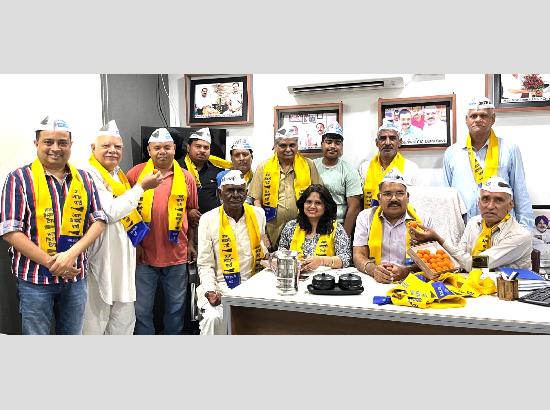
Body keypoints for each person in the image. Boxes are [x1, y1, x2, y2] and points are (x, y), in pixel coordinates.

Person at [0, 115, 107, 334]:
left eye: (62, 142)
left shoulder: (84, 179)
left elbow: (99, 221)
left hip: (75, 278)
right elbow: (10, 231)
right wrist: (54, 263)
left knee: (72, 335)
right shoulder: (19, 178)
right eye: (48, 142)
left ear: (71, 145)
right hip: (34, 279)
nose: (56, 148)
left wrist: (70, 255)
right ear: (36, 143)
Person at [83, 120, 162, 335]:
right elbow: (110, 212)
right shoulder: (88, 174)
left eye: (117, 147)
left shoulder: (118, 174)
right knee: (95, 324)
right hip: (102, 258)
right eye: (106, 146)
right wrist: (141, 187)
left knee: (123, 323)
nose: (113, 150)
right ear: (93, 148)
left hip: (123, 260)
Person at [126, 128, 199, 335]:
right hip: (143, 254)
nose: (162, 152)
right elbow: (126, 212)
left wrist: (191, 244)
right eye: (157, 148)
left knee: (176, 308)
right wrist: (134, 246)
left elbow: (192, 213)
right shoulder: (135, 174)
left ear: (174, 149)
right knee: (141, 309)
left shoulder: (187, 178)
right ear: (149, 150)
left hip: (176, 254)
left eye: (167, 147)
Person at [443, 97, 533, 228]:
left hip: (502, 228)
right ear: (466, 120)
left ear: (493, 119)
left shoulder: (509, 149)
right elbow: (447, 196)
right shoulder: (452, 153)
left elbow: (520, 192)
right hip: (464, 228)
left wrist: (526, 230)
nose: (478, 119)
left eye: (483, 115)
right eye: (473, 116)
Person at [196, 170, 268, 335]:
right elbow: (205, 264)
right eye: (230, 190)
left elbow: (262, 251)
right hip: (219, 288)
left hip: (253, 287)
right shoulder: (208, 219)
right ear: (219, 193)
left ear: (246, 193)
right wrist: (210, 290)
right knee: (213, 318)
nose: (235, 195)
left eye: (240, 190)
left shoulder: (258, 214)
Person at [410, 176, 532, 272]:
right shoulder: (474, 222)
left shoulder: (520, 235)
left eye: (498, 200)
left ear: (511, 205)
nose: (490, 206)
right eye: (485, 199)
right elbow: (458, 259)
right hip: (475, 285)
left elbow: (475, 264)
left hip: (509, 292)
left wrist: (439, 240)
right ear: (478, 203)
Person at [353, 168, 433, 284]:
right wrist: (374, 270)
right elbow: (358, 254)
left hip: (413, 279)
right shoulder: (365, 217)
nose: (394, 198)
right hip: (374, 279)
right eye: (387, 194)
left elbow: (431, 259)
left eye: (400, 193)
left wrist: (406, 271)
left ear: (408, 197)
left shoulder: (423, 220)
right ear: (379, 198)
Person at [248, 126, 322, 250]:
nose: (288, 149)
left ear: (297, 146)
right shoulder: (263, 167)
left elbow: (319, 196)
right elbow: (256, 201)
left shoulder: (308, 165)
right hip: (271, 230)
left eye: (292, 145)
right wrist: (262, 232)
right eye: (283, 145)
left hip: (303, 228)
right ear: (275, 146)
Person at [278, 184, 351, 272]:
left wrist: (322, 261)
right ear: (303, 204)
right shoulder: (291, 226)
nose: (312, 206)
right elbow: (281, 253)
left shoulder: (336, 228)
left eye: (318, 203)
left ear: (326, 206)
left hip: (324, 278)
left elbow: (345, 259)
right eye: (309, 202)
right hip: (295, 275)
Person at [313, 122, 362, 237]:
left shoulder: (349, 170)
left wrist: (343, 237)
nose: (333, 146)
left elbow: (354, 207)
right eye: (329, 142)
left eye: (337, 143)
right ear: (322, 144)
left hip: (338, 226)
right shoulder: (311, 166)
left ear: (342, 147)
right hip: (312, 225)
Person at [358, 120, 420, 209]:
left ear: (400, 142)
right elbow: (359, 200)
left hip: (401, 217)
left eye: (392, 138)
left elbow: (416, 201)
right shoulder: (364, 167)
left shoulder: (411, 168)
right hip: (370, 216)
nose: (387, 142)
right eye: (383, 138)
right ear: (377, 143)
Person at [182, 127, 233, 227]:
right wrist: (187, 210)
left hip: (212, 225)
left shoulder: (217, 171)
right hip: (184, 224)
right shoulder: (178, 169)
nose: (202, 150)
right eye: (198, 146)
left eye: (206, 148)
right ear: (188, 148)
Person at [217, 137, 254, 204]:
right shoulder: (221, 176)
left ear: (252, 157)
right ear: (231, 158)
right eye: (237, 155)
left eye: (245, 154)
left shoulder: (257, 177)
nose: (241, 158)